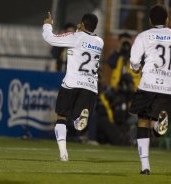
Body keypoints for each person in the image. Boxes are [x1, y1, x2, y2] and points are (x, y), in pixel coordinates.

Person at [129, 4, 171, 174]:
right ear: (167, 19)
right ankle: (159, 126)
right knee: (155, 126)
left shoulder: (144, 36)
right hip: (170, 87)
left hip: (148, 84)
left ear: (150, 20)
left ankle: (145, 166)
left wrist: (135, 67)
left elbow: (135, 60)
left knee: (143, 122)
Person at [42, 12, 104, 161]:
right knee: (78, 118)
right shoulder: (99, 42)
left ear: (82, 24)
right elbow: (85, 39)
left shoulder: (75, 37)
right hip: (90, 86)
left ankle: (63, 153)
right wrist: (80, 30)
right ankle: (78, 121)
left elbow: (50, 38)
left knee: (62, 116)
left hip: (72, 83)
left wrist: (47, 24)